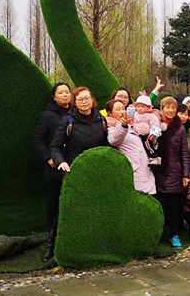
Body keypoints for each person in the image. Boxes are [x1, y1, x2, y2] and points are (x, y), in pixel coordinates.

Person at [47, 87, 108, 259]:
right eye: (80, 99)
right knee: (65, 209)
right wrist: (61, 162)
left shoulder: (100, 119)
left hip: (95, 171)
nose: (84, 102)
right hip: (74, 170)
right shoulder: (68, 121)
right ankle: (52, 247)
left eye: (87, 98)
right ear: (75, 102)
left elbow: (106, 144)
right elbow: (55, 146)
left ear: (92, 99)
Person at [32, 83, 71, 264]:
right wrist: (49, 158)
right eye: (61, 93)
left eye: (67, 92)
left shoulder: (76, 113)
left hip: (72, 163)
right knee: (54, 201)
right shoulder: (47, 116)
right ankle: (51, 239)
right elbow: (38, 140)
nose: (65, 95)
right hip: (54, 167)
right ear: (54, 97)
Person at [153, 96, 190, 248]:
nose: (170, 110)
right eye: (167, 107)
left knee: (173, 207)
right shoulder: (154, 125)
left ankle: (174, 235)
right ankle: (158, 234)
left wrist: (185, 174)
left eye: (173, 108)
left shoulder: (180, 128)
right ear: (161, 109)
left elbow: (184, 153)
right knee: (158, 204)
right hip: (157, 170)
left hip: (175, 171)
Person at [106, 99, 156, 195]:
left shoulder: (132, 125)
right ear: (110, 113)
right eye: (118, 109)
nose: (122, 112)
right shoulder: (111, 127)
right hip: (134, 173)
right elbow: (114, 140)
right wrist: (123, 126)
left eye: (123, 108)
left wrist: (153, 141)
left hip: (146, 171)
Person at [132, 95, 165, 166]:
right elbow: (132, 122)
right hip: (138, 134)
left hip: (147, 135)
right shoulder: (135, 115)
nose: (140, 108)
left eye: (142, 106)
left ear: (148, 107)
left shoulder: (151, 116)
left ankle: (155, 157)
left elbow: (155, 124)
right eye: (138, 106)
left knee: (148, 145)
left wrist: (153, 135)